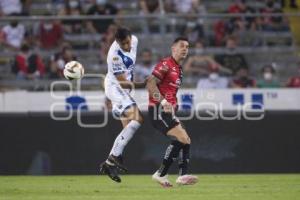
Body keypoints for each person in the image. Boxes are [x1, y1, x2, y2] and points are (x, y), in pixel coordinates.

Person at [146, 37, 198, 187]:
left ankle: (173, 174)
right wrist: (163, 102)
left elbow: (170, 91)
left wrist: (174, 104)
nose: (185, 49)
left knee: (185, 140)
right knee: (182, 138)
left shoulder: (179, 69)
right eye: (182, 46)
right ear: (173, 48)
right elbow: (150, 84)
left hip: (168, 111)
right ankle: (164, 174)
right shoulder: (165, 64)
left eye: (187, 47)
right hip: (157, 110)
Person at [99, 27, 146, 183]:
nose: (127, 46)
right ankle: (113, 158)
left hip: (125, 90)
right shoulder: (114, 56)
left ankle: (110, 162)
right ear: (117, 42)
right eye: (123, 44)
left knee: (128, 127)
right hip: (116, 88)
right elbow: (123, 83)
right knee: (138, 119)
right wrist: (145, 84)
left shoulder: (135, 40)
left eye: (128, 42)